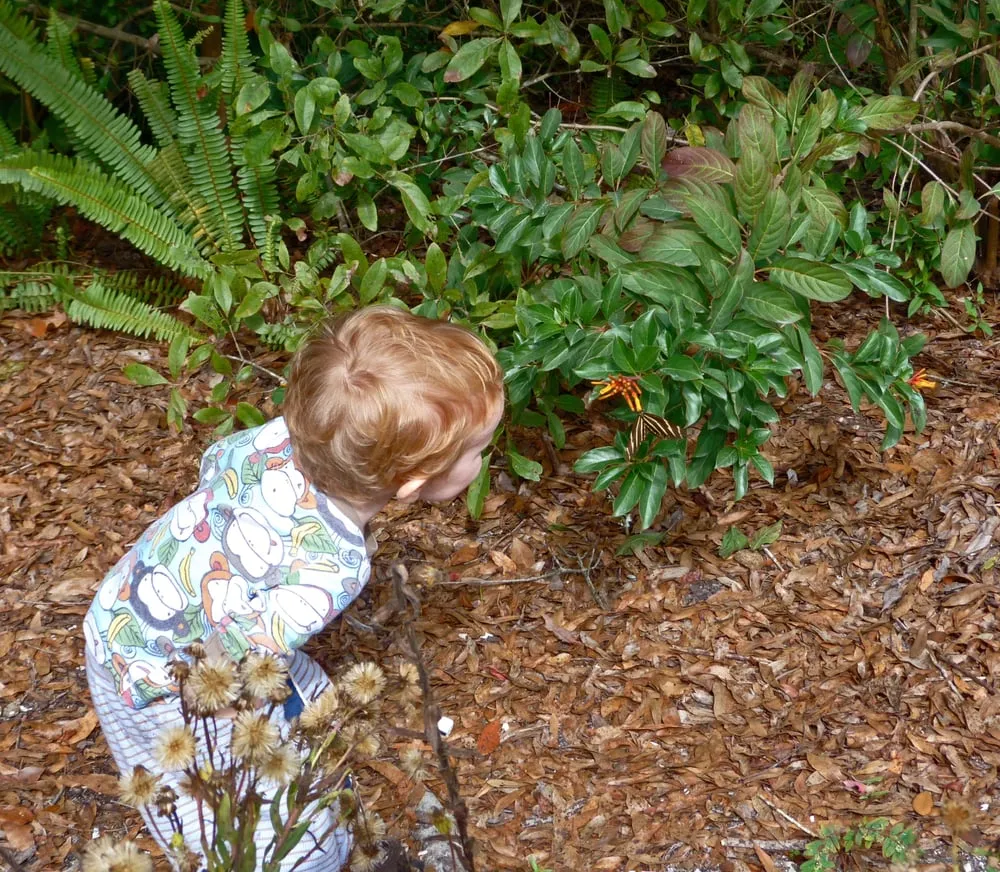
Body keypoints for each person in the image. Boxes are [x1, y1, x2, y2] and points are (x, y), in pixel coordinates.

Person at [83, 306, 505, 870]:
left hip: (127, 600)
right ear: (411, 484)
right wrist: (240, 737)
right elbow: (230, 661)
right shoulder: (332, 570)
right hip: (160, 679)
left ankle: (327, 824)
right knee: (240, 825)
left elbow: (215, 466)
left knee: (307, 706)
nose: (483, 459)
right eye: (478, 451)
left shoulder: (280, 437)